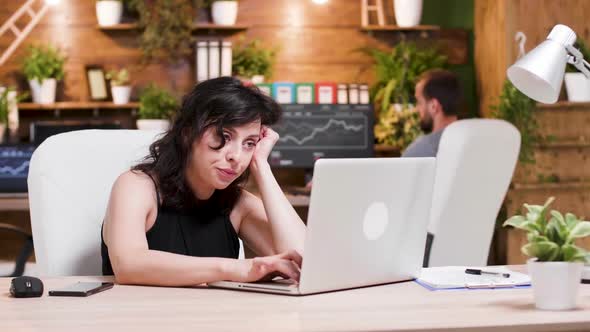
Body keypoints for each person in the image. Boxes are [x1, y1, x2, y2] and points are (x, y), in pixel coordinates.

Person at [101, 77, 306, 287]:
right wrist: (237, 268)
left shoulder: (237, 203)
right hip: (136, 316)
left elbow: (305, 263)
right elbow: (128, 265)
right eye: (224, 136)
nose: (237, 156)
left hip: (212, 318)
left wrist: (261, 166)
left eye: (249, 143)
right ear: (188, 133)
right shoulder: (136, 186)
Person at [402, 69, 462, 158]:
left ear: (434, 106)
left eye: (419, 102)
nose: (416, 109)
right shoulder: (476, 142)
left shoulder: (418, 151)